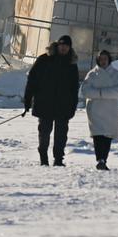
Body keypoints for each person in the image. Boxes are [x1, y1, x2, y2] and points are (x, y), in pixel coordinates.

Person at [22, 37, 81, 166]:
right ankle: (43, 158)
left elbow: (74, 88)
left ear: (70, 48)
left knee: (61, 135)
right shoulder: (44, 59)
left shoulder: (72, 64)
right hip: (44, 103)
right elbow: (32, 80)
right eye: (62, 45)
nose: (64, 47)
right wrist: (27, 100)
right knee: (44, 133)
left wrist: (73, 106)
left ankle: (58, 160)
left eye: (66, 46)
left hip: (63, 106)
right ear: (57, 45)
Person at [81, 49, 118, 170]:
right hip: (95, 110)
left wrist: (101, 93)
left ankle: (103, 159)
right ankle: (99, 159)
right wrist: (100, 93)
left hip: (110, 111)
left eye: (105, 59)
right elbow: (85, 91)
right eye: (101, 59)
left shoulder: (116, 74)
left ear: (109, 59)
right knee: (98, 135)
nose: (103, 61)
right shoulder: (92, 74)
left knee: (107, 136)